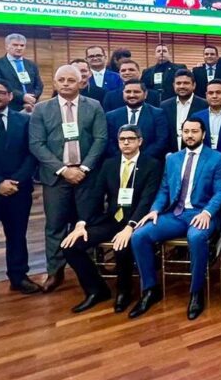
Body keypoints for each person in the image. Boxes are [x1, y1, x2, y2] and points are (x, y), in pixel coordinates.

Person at [130, 117, 221, 321]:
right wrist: (155, 209)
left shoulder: (217, 158)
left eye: (194, 131)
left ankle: (196, 292)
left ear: (203, 134)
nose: (190, 135)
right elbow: (165, 188)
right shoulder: (173, 159)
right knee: (139, 236)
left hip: (202, 214)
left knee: (196, 238)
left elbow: (220, 192)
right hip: (175, 214)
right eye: (186, 131)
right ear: (181, 134)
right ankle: (150, 289)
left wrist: (207, 213)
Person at [59, 125, 161, 314]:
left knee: (121, 245)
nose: (126, 142)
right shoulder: (109, 164)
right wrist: (81, 223)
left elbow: (147, 199)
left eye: (131, 138)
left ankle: (124, 291)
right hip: (113, 219)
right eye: (122, 139)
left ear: (140, 141)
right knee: (70, 246)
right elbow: (95, 195)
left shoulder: (152, 165)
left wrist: (130, 226)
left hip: (137, 221)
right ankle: (96, 290)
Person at [29, 64, 109, 291]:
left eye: (70, 80)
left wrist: (83, 168)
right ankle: (55, 271)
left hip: (88, 175)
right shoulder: (41, 109)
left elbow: (100, 139)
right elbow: (36, 144)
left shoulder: (94, 106)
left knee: (88, 222)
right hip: (56, 177)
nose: (65, 84)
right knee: (55, 225)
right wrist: (64, 170)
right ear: (54, 83)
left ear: (80, 83)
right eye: (61, 80)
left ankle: (91, 268)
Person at [0, 79, 40, 312]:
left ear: (9, 96)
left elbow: (31, 154)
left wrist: (16, 181)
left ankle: (19, 277)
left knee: (18, 236)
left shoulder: (23, 121)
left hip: (18, 191)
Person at [105, 80, 170, 160]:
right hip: (119, 162)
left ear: (145, 94)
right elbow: (109, 141)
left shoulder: (157, 114)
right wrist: (124, 157)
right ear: (123, 94)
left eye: (136, 92)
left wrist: (139, 158)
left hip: (149, 163)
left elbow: (161, 140)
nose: (132, 95)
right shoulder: (111, 116)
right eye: (128, 92)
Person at [0, 32, 43, 113]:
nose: (19, 48)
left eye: (22, 45)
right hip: (10, 107)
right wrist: (22, 97)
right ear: (7, 46)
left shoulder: (31, 64)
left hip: (32, 107)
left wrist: (32, 98)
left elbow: (39, 85)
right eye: (15, 45)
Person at [160, 69, 207, 150]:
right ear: (173, 85)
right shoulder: (164, 106)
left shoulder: (204, 105)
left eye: (186, 83)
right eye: (178, 83)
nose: (182, 86)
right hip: (170, 155)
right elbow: (163, 133)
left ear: (194, 85)